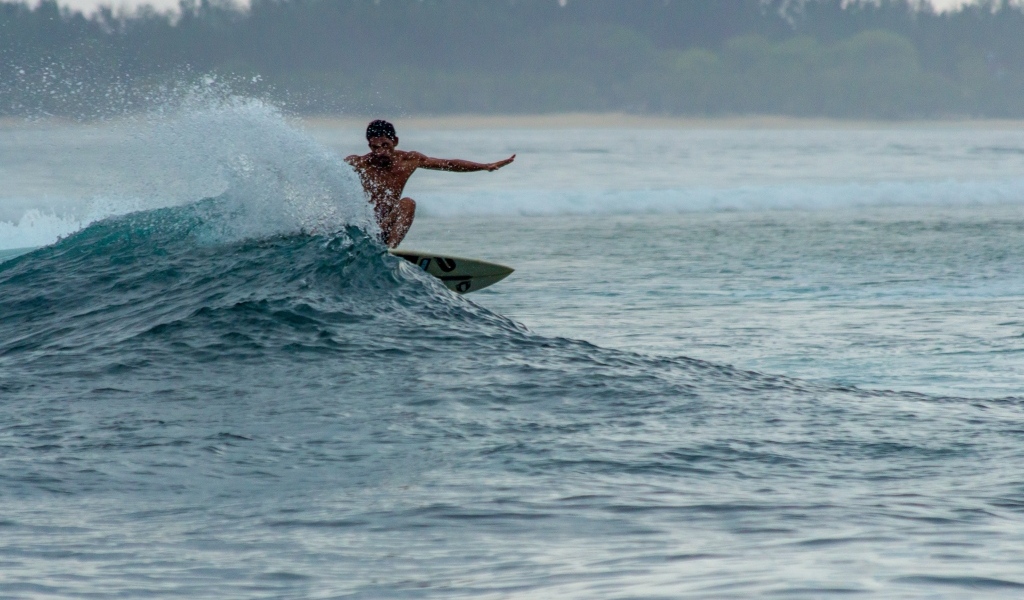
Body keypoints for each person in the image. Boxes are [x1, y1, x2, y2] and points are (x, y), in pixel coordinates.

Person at [345, 120, 515, 247]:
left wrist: (485, 166)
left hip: (388, 227)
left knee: (408, 203)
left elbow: (448, 164)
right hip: (364, 228)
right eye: (375, 147)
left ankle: (390, 251)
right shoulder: (357, 163)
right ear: (369, 145)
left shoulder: (409, 160)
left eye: (385, 145)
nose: (381, 152)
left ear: (395, 141)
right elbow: (328, 177)